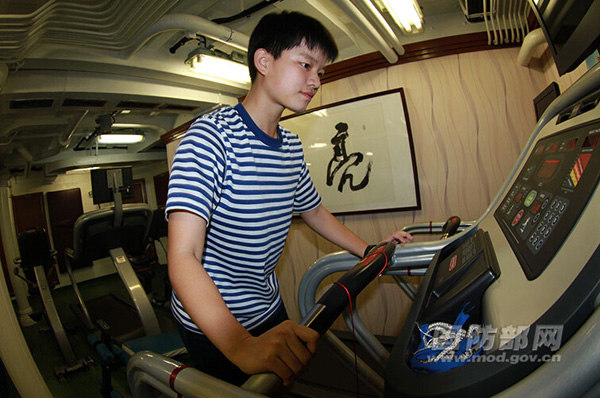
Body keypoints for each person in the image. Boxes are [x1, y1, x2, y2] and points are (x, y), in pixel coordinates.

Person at [165, 10, 414, 388]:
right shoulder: (209, 137)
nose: (316, 81)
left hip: (267, 305)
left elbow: (313, 211)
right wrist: (241, 345)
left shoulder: (292, 146)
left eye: (321, 73)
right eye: (306, 64)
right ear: (263, 61)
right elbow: (183, 257)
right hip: (215, 322)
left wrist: (369, 249)